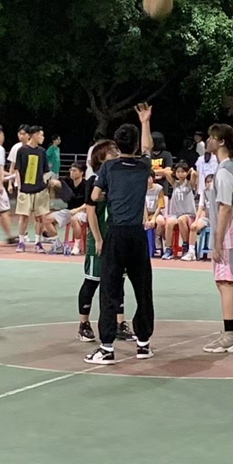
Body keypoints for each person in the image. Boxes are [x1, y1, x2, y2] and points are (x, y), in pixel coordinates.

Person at [85, 103, 155, 365]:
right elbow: (148, 148)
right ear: (135, 145)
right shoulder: (143, 165)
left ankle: (106, 348)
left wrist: (111, 193)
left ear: (117, 143)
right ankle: (143, 344)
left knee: (110, 290)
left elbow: (94, 196)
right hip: (137, 234)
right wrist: (145, 121)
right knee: (142, 289)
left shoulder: (108, 168)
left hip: (115, 234)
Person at [202, 124, 233, 354]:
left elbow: (225, 208)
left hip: (229, 236)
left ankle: (230, 336)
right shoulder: (232, 168)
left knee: (225, 283)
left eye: (211, 137)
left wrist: (217, 241)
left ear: (221, 141)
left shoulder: (223, 171)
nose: (208, 141)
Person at [77, 140, 134, 343]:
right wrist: (98, 239)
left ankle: (120, 323)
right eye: (112, 151)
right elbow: (90, 212)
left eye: (118, 150)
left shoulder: (118, 179)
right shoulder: (94, 181)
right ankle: (83, 324)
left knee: (118, 282)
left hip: (117, 239)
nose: (117, 153)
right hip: (99, 239)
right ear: (101, 158)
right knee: (92, 281)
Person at [15, 125, 51, 253]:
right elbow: (17, 170)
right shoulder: (22, 150)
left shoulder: (42, 151)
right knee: (23, 217)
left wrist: (45, 183)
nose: (43, 137)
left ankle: (38, 242)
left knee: (40, 218)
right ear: (34, 135)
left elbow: (45, 171)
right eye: (41, 135)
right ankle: (21, 242)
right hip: (25, 190)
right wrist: (19, 187)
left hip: (40, 190)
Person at [162, 162, 197, 259]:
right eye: (178, 172)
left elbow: (194, 174)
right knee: (169, 222)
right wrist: (175, 172)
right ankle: (168, 249)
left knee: (182, 219)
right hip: (176, 214)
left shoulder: (190, 184)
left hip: (188, 214)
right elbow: (166, 172)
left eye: (183, 172)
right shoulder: (175, 184)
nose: (180, 174)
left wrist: (189, 171)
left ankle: (185, 245)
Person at [182, 174, 214, 262]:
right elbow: (200, 207)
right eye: (207, 182)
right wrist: (196, 221)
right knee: (193, 227)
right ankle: (191, 252)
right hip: (207, 218)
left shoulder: (219, 193)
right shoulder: (204, 192)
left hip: (218, 219)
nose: (209, 184)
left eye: (211, 182)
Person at [144, 171, 166, 255]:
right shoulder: (141, 188)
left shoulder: (159, 188)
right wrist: (146, 220)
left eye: (150, 177)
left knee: (161, 221)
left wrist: (153, 218)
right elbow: (143, 206)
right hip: (144, 214)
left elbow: (160, 205)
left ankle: (157, 239)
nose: (148, 180)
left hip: (156, 213)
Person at [149, 131, 174, 195]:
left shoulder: (166, 154)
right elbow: (144, 170)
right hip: (149, 185)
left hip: (163, 185)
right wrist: (160, 172)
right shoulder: (148, 155)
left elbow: (168, 170)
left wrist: (153, 172)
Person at [7, 124, 29, 192]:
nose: (21, 136)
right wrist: (10, 184)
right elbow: (12, 166)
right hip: (18, 182)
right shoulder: (15, 147)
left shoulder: (33, 148)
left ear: (29, 135)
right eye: (20, 134)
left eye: (24, 134)